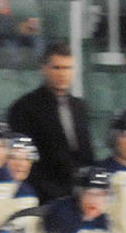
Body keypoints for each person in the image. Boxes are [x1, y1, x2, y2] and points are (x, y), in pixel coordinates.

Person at [7, 41, 95, 204]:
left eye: (68, 68)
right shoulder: (24, 107)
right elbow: (25, 160)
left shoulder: (79, 107)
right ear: (44, 69)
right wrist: (56, 196)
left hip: (80, 197)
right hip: (44, 197)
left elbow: (86, 154)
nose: (63, 74)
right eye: (57, 68)